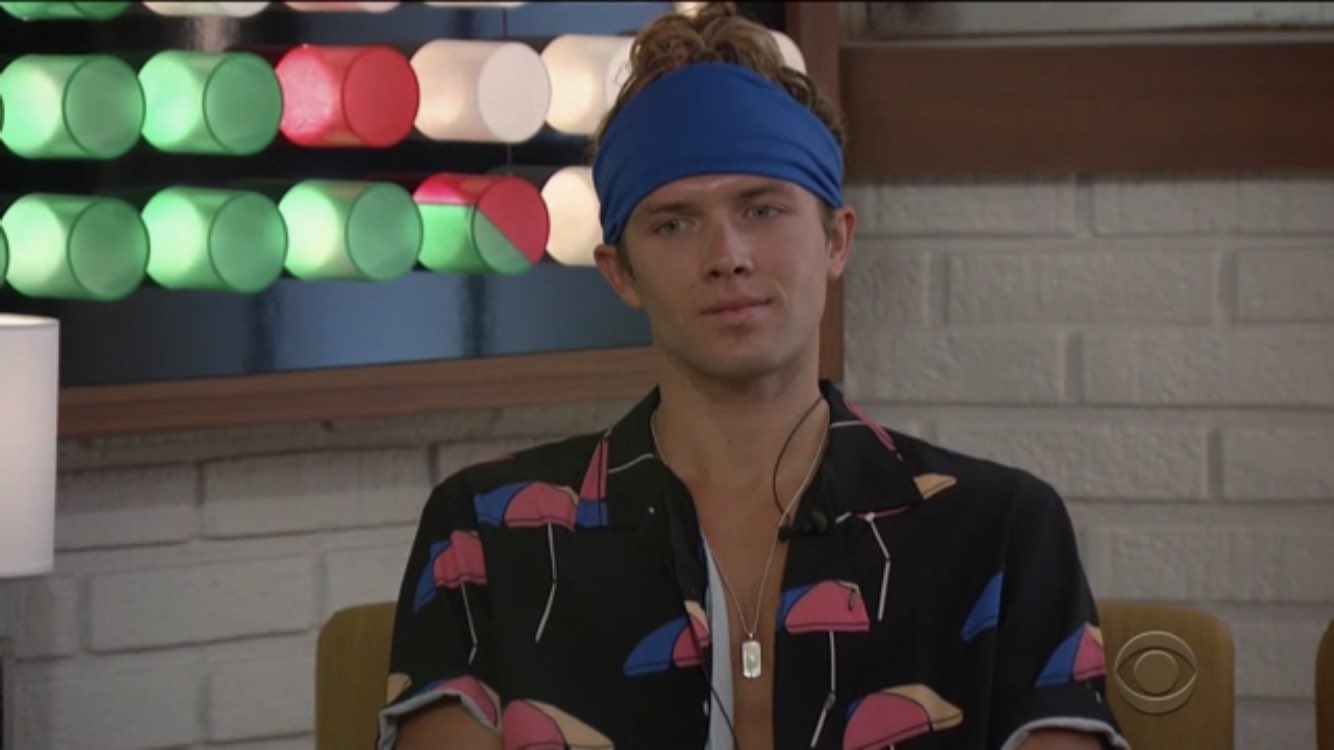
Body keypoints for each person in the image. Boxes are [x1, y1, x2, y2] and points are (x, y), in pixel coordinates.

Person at [379, 4, 1128, 749]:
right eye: (674, 223)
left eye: (763, 210)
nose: (727, 256)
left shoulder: (1001, 532)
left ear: (836, 241)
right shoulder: (483, 532)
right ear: (620, 272)